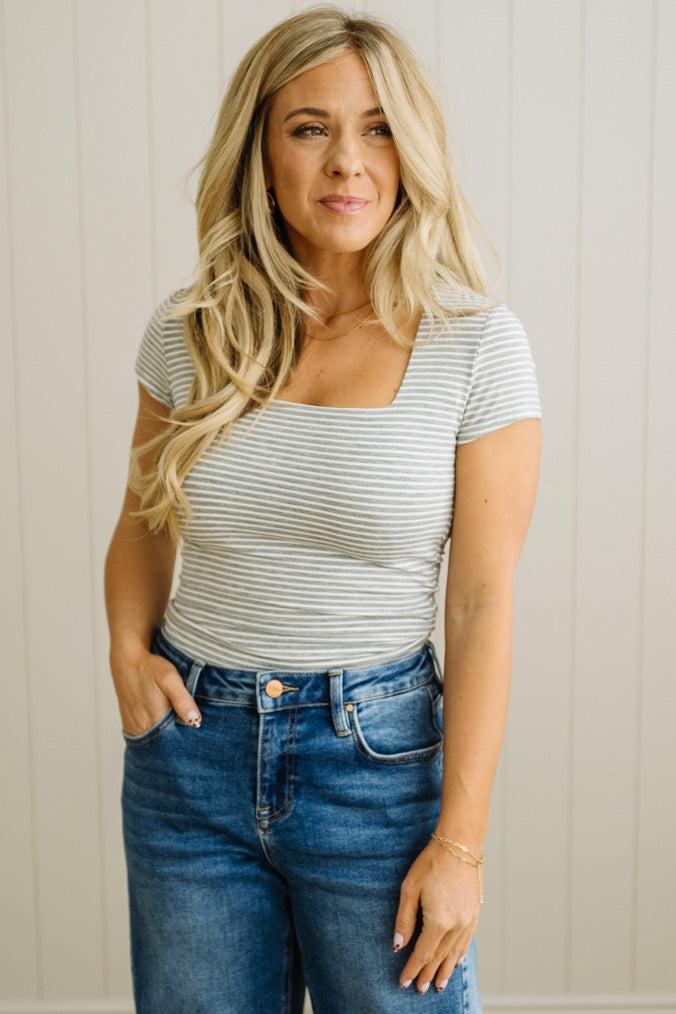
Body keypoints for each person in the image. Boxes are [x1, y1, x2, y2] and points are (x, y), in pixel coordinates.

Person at [104, 6, 542, 1012]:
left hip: (375, 769)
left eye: (378, 128)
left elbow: (479, 607)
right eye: (310, 128)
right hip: (189, 760)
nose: (348, 161)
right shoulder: (190, 332)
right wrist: (128, 650)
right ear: (260, 151)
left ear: (411, 149)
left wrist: (459, 845)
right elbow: (140, 524)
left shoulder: (476, 344)